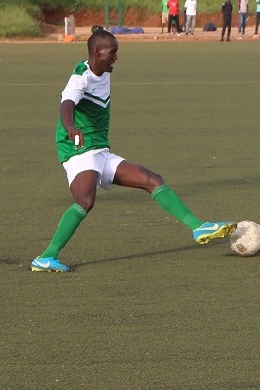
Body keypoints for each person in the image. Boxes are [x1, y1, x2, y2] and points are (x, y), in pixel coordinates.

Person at [31, 30, 236, 272]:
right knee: (84, 201)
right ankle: (46, 257)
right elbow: (66, 105)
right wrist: (71, 128)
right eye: (113, 52)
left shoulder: (102, 71)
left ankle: (198, 227)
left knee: (152, 179)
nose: (116, 57)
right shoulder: (80, 78)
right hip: (80, 150)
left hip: (100, 150)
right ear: (97, 52)